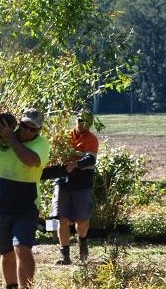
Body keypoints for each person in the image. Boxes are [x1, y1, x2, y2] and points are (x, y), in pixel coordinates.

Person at [0, 108, 50, 289]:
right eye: (25, 126)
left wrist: (12, 139)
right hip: (0, 207)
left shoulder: (41, 144)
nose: (27, 131)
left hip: (26, 206)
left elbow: (30, 161)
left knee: (22, 249)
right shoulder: (3, 141)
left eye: (33, 129)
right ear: (20, 123)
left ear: (39, 131)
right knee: (7, 253)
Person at [51, 109, 99, 265]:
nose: (81, 123)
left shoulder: (91, 139)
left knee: (82, 219)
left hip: (82, 183)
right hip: (62, 181)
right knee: (61, 218)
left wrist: (75, 163)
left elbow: (90, 160)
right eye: (79, 120)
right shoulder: (64, 136)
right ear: (75, 120)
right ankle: (65, 255)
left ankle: (83, 242)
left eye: (85, 121)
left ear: (90, 123)